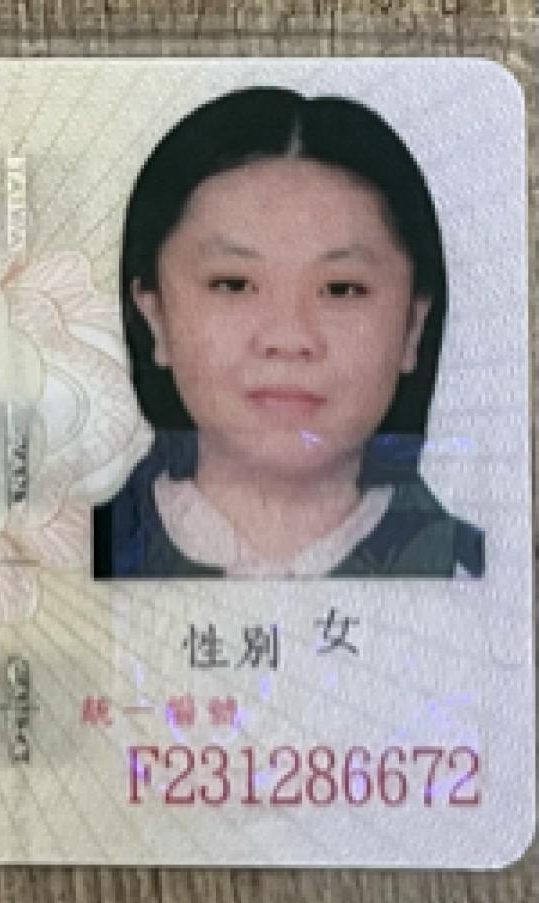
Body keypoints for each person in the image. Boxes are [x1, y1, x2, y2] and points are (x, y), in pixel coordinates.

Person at [92, 86, 483, 579]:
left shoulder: (483, 579)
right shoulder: (67, 569)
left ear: (413, 326)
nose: (289, 338)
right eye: (233, 284)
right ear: (155, 316)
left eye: (341, 289)